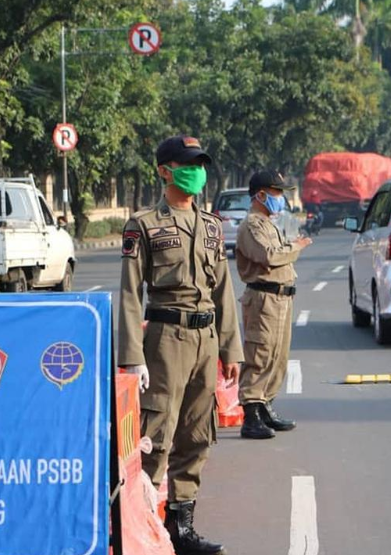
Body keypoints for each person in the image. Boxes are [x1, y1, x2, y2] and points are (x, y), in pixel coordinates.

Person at [118, 135, 242, 555]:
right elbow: (131, 294)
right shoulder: (144, 225)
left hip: (206, 339)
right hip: (165, 340)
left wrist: (231, 350)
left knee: (197, 433)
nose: (196, 171)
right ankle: (146, 528)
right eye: (188, 164)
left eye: (200, 164)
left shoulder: (211, 225)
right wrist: (132, 359)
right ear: (165, 170)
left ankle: (181, 528)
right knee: (158, 434)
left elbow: (223, 291)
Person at [235, 170, 313, 439]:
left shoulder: (268, 223)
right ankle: (251, 413)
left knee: (277, 357)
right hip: (263, 297)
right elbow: (267, 256)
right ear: (260, 194)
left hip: (280, 297)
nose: (281, 197)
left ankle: (266, 405)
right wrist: (298, 246)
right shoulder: (252, 224)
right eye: (276, 192)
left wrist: (292, 244)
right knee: (260, 354)